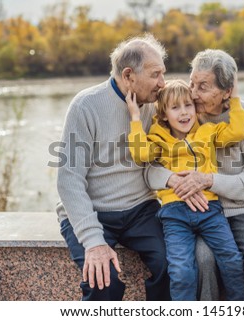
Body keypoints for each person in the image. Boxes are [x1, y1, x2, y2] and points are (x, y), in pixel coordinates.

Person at [145, 49, 244, 301]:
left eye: (204, 87)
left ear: (227, 91)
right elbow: (150, 166)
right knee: (203, 260)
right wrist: (171, 179)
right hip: (201, 210)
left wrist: (207, 180)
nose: (194, 94)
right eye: (192, 83)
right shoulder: (183, 115)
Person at [55, 34, 171, 301]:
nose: (162, 83)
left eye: (163, 74)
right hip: (93, 210)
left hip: (141, 210)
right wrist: (94, 241)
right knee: (102, 281)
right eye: (155, 75)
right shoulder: (87, 105)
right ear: (129, 76)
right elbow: (68, 180)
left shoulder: (156, 106)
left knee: (175, 264)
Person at [126, 79, 244, 300]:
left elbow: (239, 132)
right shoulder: (158, 139)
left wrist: (235, 99)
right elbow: (140, 154)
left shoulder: (208, 132)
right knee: (182, 271)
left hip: (209, 209)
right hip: (174, 215)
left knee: (231, 260)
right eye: (175, 108)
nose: (184, 113)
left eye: (188, 105)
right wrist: (135, 118)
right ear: (164, 114)